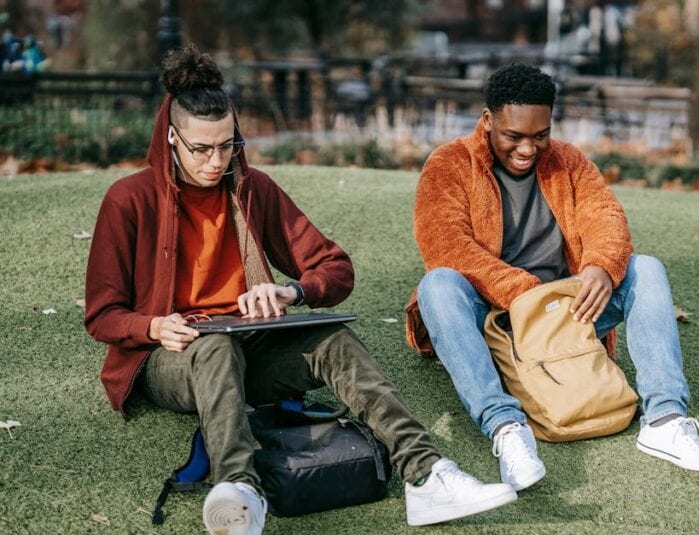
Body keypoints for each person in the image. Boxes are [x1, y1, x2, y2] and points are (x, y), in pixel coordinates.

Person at [83, 44, 516, 534]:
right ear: (171, 137)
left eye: (227, 145)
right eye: (201, 148)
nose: (216, 160)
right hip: (172, 356)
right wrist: (154, 326)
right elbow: (102, 315)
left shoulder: (253, 189)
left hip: (251, 346)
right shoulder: (129, 199)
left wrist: (293, 293)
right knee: (214, 346)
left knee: (333, 339)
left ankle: (427, 476)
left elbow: (336, 268)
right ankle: (240, 491)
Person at [405, 63, 699, 493]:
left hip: (568, 312)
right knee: (437, 286)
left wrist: (601, 266)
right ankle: (506, 428)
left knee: (646, 267)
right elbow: (445, 245)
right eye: (514, 136)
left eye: (540, 135)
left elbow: (605, 216)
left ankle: (665, 420)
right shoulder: (449, 163)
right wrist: (528, 296)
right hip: (497, 318)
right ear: (488, 120)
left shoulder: (569, 161)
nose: (528, 148)